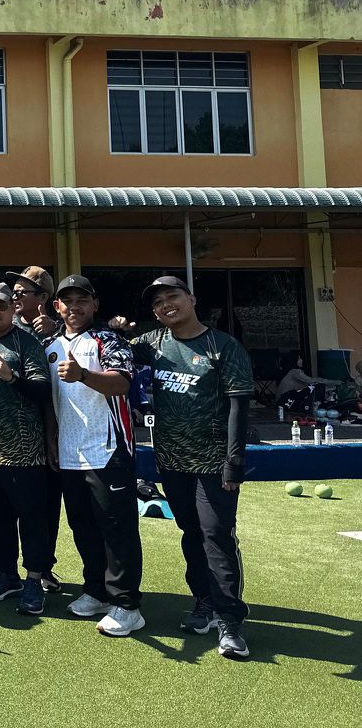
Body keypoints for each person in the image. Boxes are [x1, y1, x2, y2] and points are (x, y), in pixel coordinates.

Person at [132, 276, 254, 660]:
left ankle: (230, 620)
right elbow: (110, 353)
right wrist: (113, 329)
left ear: (192, 299)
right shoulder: (152, 343)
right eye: (158, 302)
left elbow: (239, 407)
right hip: (171, 462)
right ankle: (204, 602)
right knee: (191, 533)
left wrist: (234, 461)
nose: (166, 305)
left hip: (214, 463)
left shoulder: (223, 346)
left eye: (173, 296)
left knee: (216, 535)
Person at [44, 274, 144, 637]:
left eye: (82, 300)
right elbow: (52, 399)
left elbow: (122, 383)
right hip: (70, 452)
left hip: (108, 450)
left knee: (117, 529)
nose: (75, 307)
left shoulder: (109, 339)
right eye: (67, 301)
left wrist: (84, 374)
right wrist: (52, 439)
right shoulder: (50, 345)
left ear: (94, 304)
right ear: (57, 306)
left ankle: (127, 605)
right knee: (83, 526)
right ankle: (97, 591)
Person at [0, 265, 64, 595]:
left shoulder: (26, 343)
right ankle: (6, 575)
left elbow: (42, 389)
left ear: (12, 308)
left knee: (33, 520)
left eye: (1, 306)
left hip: (25, 453)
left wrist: (11, 377)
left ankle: (35, 579)